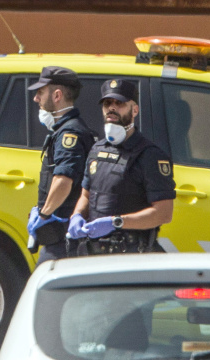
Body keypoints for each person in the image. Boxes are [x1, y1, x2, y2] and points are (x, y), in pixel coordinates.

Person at [67, 79, 176, 255]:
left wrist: (116, 222)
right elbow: (86, 195)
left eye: (120, 103)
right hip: (94, 252)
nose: (112, 108)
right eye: (107, 103)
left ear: (135, 110)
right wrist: (77, 215)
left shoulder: (150, 155)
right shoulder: (97, 149)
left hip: (130, 254)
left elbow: (164, 213)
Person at [26, 66, 96, 262]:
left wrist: (44, 215)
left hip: (65, 240)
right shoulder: (65, 129)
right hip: (62, 238)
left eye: (40, 93)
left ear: (57, 95)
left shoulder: (69, 133)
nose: (36, 99)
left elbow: (64, 180)